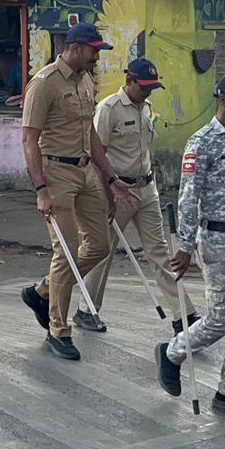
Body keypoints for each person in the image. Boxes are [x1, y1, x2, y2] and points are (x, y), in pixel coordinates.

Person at [18, 23, 137, 360]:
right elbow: (29, 139)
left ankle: (43, 291)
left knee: (100, 245)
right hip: (55, 172)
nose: (98, 55)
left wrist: (110, 177)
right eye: (94, 49)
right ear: (78, 47)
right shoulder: (43, 84)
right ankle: (58, 328)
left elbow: (92, 136)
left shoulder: (85, 80)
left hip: (85, 170)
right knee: (66, 250)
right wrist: (40, 187)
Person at [154, 75, 225, 419]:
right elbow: (188, 197)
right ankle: (173, 352)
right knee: (222, 318)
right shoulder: (201, 142)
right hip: (218, 242)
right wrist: (186, 246)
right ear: (223, 99)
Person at [80, 57, 190, 333]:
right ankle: (87, 309)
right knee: (102, 251)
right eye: (144, 87)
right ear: (129, 81)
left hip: (146, 188)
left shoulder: (146, 107)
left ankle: (183, 315)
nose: (148, 92)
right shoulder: (109, 110)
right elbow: (96, 154)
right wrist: (105, 195)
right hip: (117, 190)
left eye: (152, 87)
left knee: (160, 251)